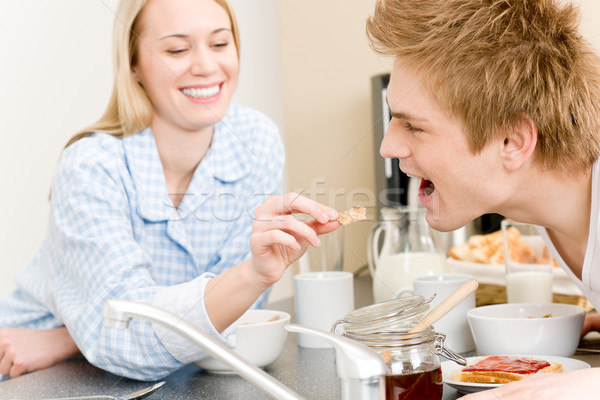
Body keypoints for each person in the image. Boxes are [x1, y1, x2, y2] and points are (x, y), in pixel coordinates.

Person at [0, 0, 339, 380]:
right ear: (134, 66)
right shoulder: (92, 165)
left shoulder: (256, 141)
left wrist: (70, 339)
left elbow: (236, 312)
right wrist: (88, 335)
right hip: (23, 365)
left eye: (220, 44)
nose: (206, 66)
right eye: (176, 49)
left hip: (113, 363)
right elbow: (126, 339)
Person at [367, 0, 600, 398]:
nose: (388, 146)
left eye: (414, 126)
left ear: (512, 141)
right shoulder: (549, 208)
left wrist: (572, 387)